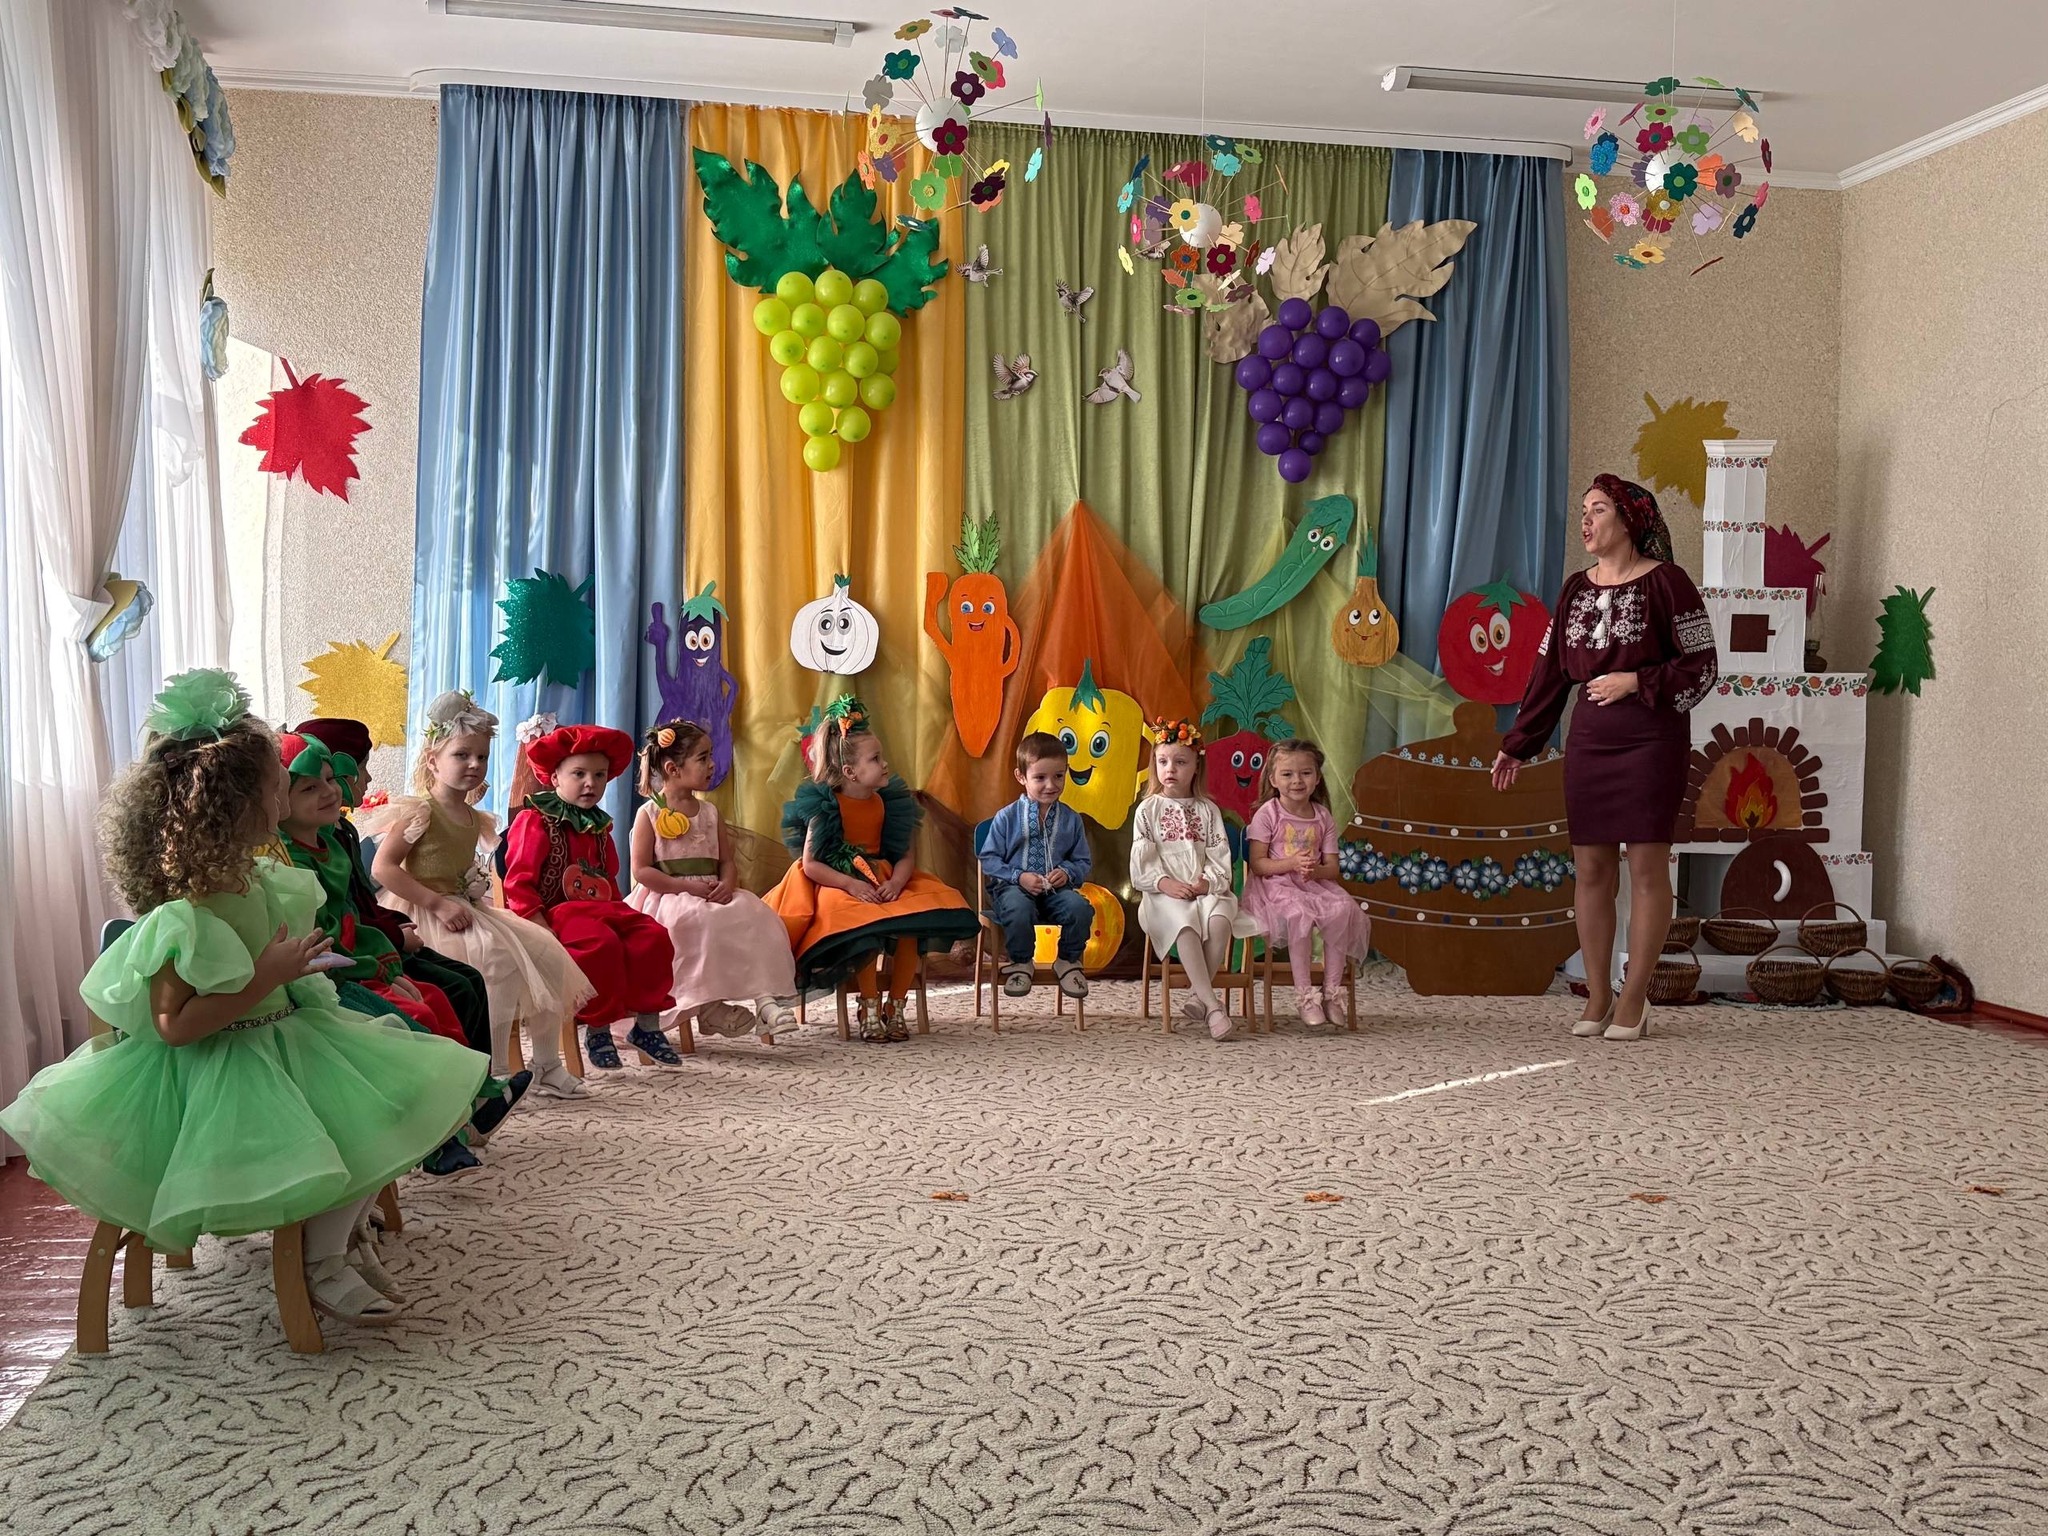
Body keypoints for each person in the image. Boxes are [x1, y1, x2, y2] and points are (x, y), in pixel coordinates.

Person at [0, 669, 488, 1324]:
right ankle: (321, 1262)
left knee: (393, 1102)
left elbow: (281, 955)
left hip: (286, 1030)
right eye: (276, 782)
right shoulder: (190, 910)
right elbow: (174, 1024)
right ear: (236, 806)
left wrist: (302, 970)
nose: (287, 785)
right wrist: (267, 976)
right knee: (350, 1125)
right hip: (222, 1067)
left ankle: (339, 1239)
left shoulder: (258, 876)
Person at [1492, 474, 1718, 1043]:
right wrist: (1518, 742)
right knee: (1591, 868)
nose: (1586, 521)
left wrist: (1636, 681)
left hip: (1653, 741)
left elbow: (1703, 665)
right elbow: (1549, 671)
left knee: (1645, 867)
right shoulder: (1575, 588)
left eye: (1598, 510)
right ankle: (1597, 994)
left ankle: (1634, 998)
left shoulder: (1669, 583)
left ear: (1629, 520)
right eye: (1583, 510)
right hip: (1590, 741)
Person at [363, 690, 594, 1097]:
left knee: (545, 952)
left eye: (482, 757)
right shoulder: (421, 812)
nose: (474, 764)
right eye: (462, 755)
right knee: (494, 960)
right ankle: (494, 1070)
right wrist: (436, 903)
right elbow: (383, 868)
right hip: (425, 911)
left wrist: (469, 889)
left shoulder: (473, 816)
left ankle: (546, 1065)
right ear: (433, 761)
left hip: (465, 907)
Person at [766, 695, 978, 1043]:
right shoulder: (827, 806)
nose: (885, 763)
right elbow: (811, 864)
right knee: (860, 925)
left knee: (910, 923)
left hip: (884, 877)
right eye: (876, 759)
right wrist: (851, 885)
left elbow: (906, 855)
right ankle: (868, 1004)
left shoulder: (889, 803)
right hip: (839, 880)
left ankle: (896, 1005)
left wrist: (897, 881)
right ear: (850, 772)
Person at [293, 716, 493, 1063]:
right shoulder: (310, 847)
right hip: (357, 954)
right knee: (452, 990)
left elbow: (361, 903)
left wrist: (395, 926)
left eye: (329, 780)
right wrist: (397, 938)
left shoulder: (341, 832)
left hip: (377, 936)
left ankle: (483, 1078)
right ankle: (464, 1081)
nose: (369, 778)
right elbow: (353, 906)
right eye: (360, 768)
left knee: (470, 979)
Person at [502, 722, 679, 1071]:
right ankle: (598, 1029)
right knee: (601, 945)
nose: (590, 783)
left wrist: (623, 915)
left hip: (603, 910)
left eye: (599, 775)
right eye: (579, 774)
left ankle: (647, 1026)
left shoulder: (599, 826)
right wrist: (537, 924)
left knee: (653, 936)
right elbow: (518, 881)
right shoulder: (536, 820)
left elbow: (608, 881)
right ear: (555, 777)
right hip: (557, 914)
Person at [625, 719, 798, 1044]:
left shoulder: (710, 812)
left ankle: (765, 1001)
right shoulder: (649, 814)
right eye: (703, 757)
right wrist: (687, 887)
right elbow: (642, 871)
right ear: (673, 768)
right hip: (670, 895)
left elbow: (726, 861)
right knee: (695, 923)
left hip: (711, 891)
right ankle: (709, 1007)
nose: (712, 764)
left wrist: (727, 884)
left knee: (754, 917)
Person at [1130, 720, 1262, 1042]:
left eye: (1180, 762)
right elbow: (1142, 864)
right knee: (1185, 924)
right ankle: (1213, 1007)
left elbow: (1219, 858)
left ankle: (1197, 996)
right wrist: (1166, 884)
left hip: (1204, 889)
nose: (1170, 769)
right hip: (1163, 894)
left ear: (1196, 766)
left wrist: (1207, 883)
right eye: (1163, 761)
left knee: (1220, 920)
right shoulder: (1148, 810)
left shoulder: (1208, 810)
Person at [1242, 738, 1373, 1027]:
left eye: (1305, 773)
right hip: (1276, 885)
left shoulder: (1323, 816)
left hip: (1313, 883)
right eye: (1287, 774)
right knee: (1299, 914)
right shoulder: (1268, 814)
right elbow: (1258, 864)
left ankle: (1332, 992)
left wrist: (1314, 872)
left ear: (1317, 778)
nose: (1297, 781)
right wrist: (1291, 864)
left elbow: (1333, 868)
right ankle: (1305, 997)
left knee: (1341, 909)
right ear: (1273, 779)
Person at [977, 730, 1093, 1001]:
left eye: (1058, 776)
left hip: (1055, 893)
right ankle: (1021, 963)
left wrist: (1067, 872)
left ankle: (1067, 961)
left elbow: (1082, 861)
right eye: (1040, 778)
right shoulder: (1006, 817)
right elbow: (989, 859)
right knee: (1019, 908)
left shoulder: (1071, 820)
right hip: (1013, 890)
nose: (1050, 785)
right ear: (1021, 777)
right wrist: (1019, 877)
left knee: (1079, 908)